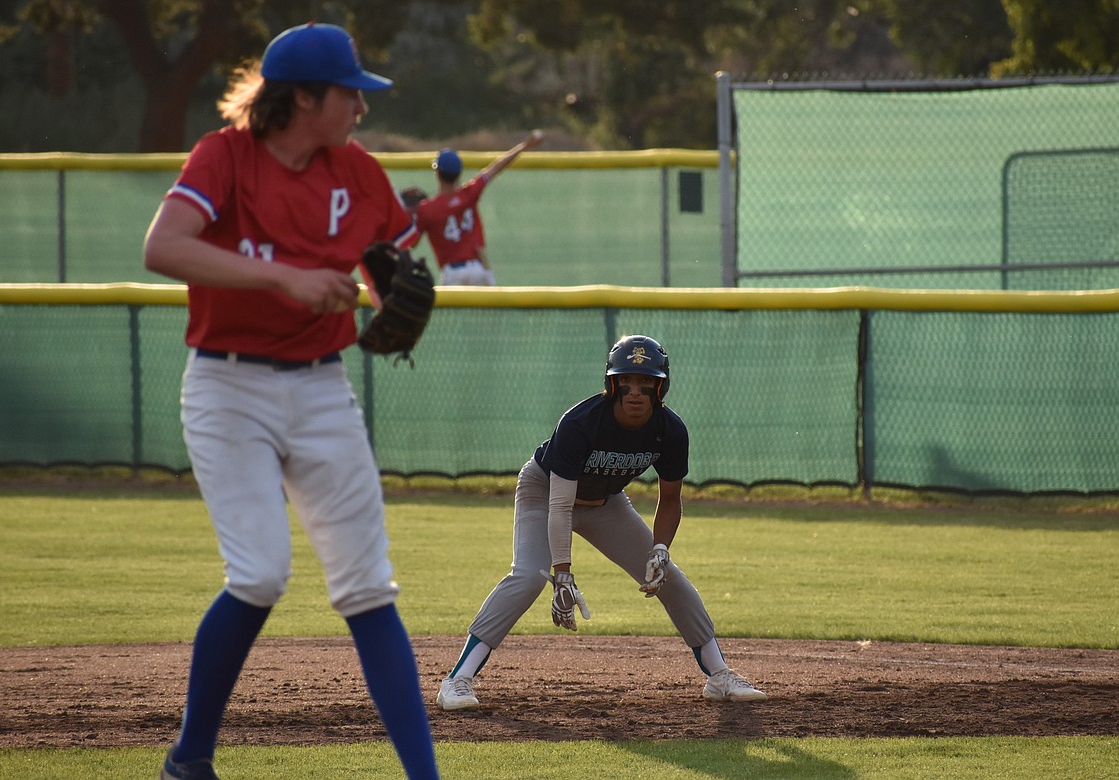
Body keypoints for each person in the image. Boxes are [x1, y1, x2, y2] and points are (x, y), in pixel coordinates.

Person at [142, 22, 439, 780]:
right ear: (304, 97)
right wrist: (285, 277)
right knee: (261, 573)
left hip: (319, 386)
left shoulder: (357, 172)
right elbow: (164, 246)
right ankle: (191, 757)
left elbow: (395, 261)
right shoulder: (225, 156)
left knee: (368, 585)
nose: (359, 110)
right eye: (349, 95)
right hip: (226, 386)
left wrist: (385, 293)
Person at [436, 335, 767, 711]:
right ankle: (457, 680)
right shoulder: (581, 422)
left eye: (646, 382)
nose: (635, 392)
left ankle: (719, 675)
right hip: (544, 493)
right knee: (529, 576)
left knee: (669, 577)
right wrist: (562, 572)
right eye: (626, 381)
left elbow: (670, 499)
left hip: (605, 503)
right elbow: (560, 506)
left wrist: (661, 550)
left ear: (662, 386)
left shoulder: (670, 430)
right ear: (612, 384)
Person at [413, 130, 544, 285]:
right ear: (459, 173)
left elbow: (412, 242)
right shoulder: (470, 193)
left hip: (452, 273)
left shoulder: (426, 209)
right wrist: (524, 146)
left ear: (437, 173)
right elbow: (496, 167)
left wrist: (410, 212)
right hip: (480, 270)